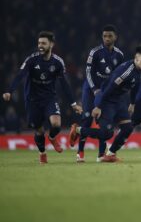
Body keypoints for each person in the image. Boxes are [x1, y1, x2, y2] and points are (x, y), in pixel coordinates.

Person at [2, 31, 82, 164]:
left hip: (50, 98)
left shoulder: (58, 62)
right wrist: (10, 91)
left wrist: (73, 104)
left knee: (56, 124)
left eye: (44, 43)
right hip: (32, 100)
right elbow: (19, 75)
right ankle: (42, 153)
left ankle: (52, 137)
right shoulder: (31, 60)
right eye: (39, 43)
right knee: (39, 131)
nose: (40, 45)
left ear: (51, 44)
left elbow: (64, 84)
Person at [68, 46, 141, 162]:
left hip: (118, 100)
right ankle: (77, 130)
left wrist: (132, 103)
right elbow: (109, 87)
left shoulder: (140, 71)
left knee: (127, 128)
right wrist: (98, 106)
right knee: (107, 133)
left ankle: (111, 153)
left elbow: (135, 87)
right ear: (136, 58)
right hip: (106, 100)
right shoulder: (127, 71)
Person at [74, 25, 124, 162]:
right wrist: (94, 89)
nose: (107, 38)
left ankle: (101, 154)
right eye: (104, 36)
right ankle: (80, 152)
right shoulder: (95, 52)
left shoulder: (119, 55)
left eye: (110, 36)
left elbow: (118, 75)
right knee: (87, 119)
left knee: (104, 122)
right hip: (90, 89)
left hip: (105, 91)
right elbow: (88, 73)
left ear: (115, 37)